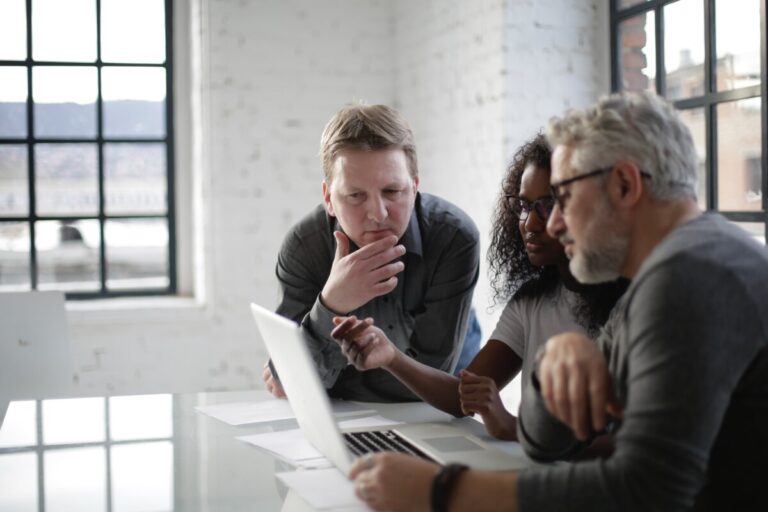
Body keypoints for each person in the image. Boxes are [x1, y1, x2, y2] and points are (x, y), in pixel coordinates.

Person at [344, 91, 768, 511]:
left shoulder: (692, 277)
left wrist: (442, 492)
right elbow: (546, 442)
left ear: (623, 184)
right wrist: (554, 365)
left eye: (562, 198)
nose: (556, 223)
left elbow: (645, 489)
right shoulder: (660, 277)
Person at [331, 134, 626, 440]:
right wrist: (390, 356)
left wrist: (516, 429)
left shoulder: (633, 306)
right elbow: (463, 397)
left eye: (548, 205)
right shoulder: (532, 301)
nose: (529, 223)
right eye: (523, 205)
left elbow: (636, 444)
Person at [263, 104, 481, 402]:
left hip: (443, 408)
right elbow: (289, 383)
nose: (378, 214)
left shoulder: (454, 238)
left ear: (414, 188)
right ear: (328, 198)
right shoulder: (305, 246)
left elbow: (432, 380)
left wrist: (324, 379)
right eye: (355, 195)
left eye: (392, 192)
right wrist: (332, 303)